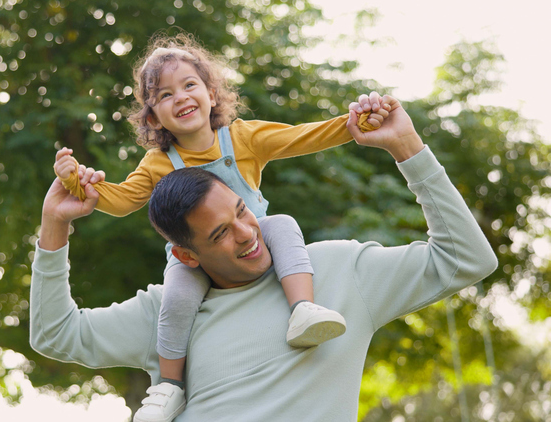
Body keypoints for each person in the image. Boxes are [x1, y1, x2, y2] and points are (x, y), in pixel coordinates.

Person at [30, 95, 498, 421]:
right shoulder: (166, 311)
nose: (247, 233)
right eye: (220, 234)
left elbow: (467, 258)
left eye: (241, 212)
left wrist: (406, 147)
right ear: (186, 256)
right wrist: (55, 224)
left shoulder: (337, 271)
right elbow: (55, 334)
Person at [52, 34, 387, 421]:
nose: (180, 97)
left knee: (283, 225)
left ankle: (303, 309)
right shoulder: (157, 164)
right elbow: (122, 200)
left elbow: (303, 137)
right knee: (174, 301)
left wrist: (355, 122)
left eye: (189, 85)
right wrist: (76, 181)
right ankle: (169, 386)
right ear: (152, 117)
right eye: (164, 95)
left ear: (212, 94)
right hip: (197, 261)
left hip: (255, 243)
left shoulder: (243, 138)